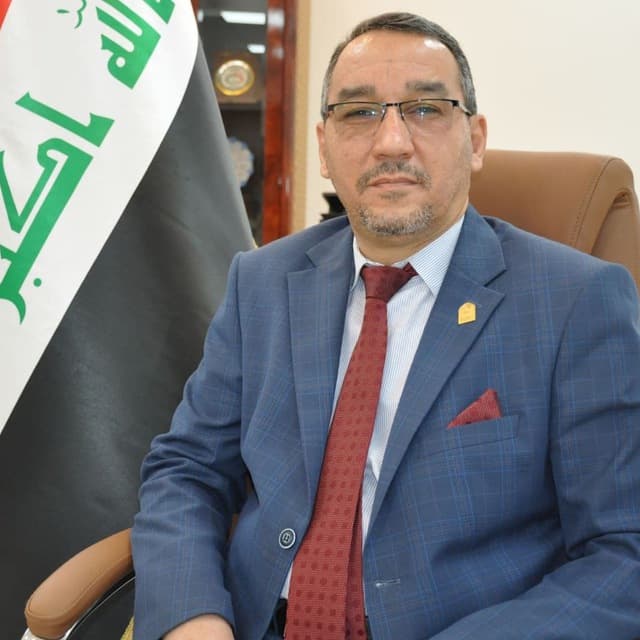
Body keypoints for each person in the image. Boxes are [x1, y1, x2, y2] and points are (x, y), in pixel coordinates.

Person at [131, 11, 640, 640]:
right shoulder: (260, 282)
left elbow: (623, 553)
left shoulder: (576, 301)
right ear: (324, 147)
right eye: (359, 112)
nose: (392, 142)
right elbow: (187, 470)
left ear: (475, 138)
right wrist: (193, 618)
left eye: (426, 109)